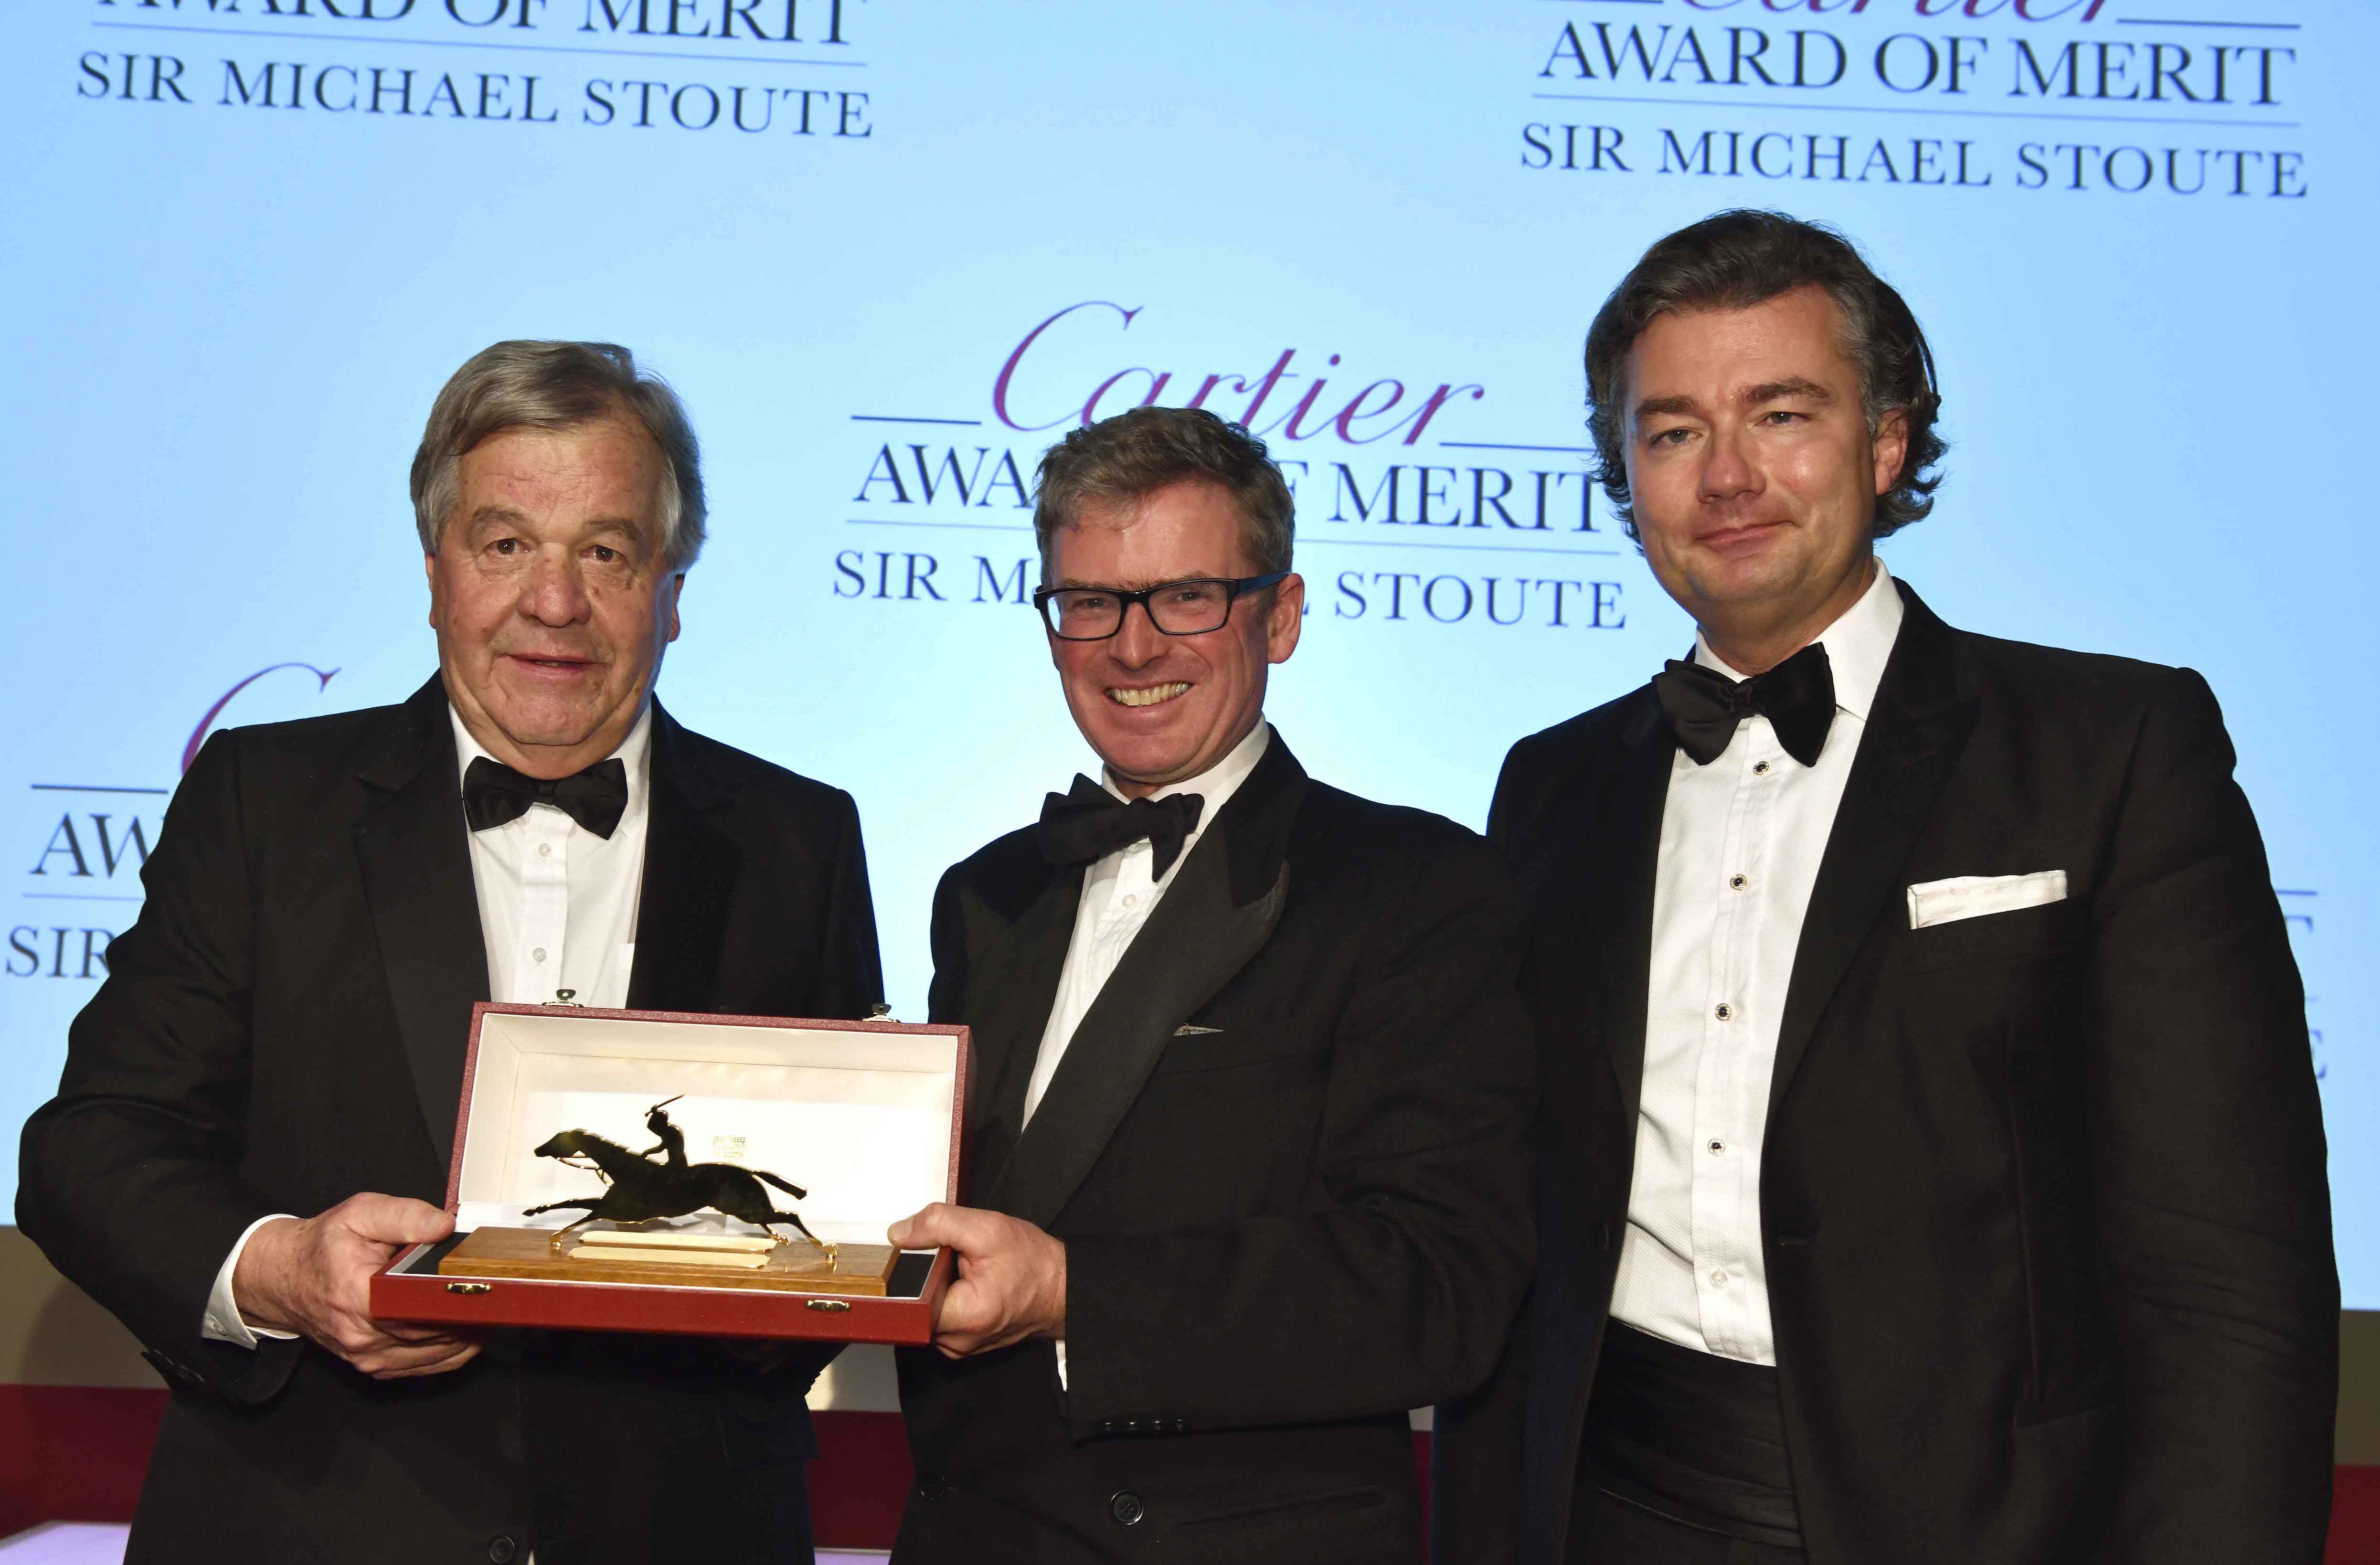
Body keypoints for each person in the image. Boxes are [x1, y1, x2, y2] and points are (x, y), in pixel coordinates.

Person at [1432, 211, 2337, 1564]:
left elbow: (2229, 1282)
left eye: (1782, 412)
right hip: (1612, 1508)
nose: (1728, 474)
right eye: (1673, 430)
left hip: (1985, 1525)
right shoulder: (1551, 787)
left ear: (1888, 439)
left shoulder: (2109, 750)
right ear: (1624, 471)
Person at [17, 341, 884, 1565]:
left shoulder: (800, 838)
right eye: (505, 544)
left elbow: (835, 1200)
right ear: (435, 571)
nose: (554, 600)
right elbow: (87, 1148)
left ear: (671, 588)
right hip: (310, 1520)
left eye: (606, 550)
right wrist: (281, 1271)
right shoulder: (266, 803)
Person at [883, 405, 1535, 1564]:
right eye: (1089, 601)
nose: (1132, 648)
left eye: (1185, 596)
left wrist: (1077, 1293)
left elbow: (1439, 1286)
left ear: (1277, 616)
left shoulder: (1416, 887)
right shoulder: (983, 893)